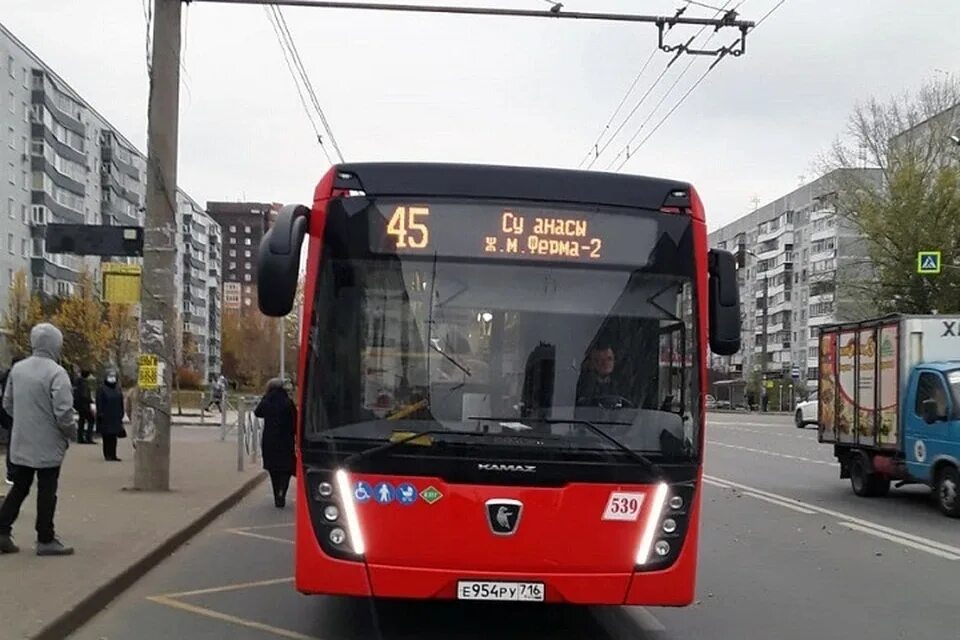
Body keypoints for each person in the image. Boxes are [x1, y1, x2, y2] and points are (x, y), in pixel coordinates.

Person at [0, 323, 76, 556]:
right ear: (56, 344)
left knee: (20, 487)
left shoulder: (18, 369)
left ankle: (2, 531)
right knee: (47, 489)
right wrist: (69, 432)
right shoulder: (56, 372)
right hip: (49, 442)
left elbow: (7, 404)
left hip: (21, 440)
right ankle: (45, 538)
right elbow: (64, 412)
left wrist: (26, 422)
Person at [254, 378, 297, 509]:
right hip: (285, 440)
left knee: (273, 470)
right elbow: (295, 419)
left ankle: (276, 495)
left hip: (270, 440)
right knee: (286, 469)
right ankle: (282, 493)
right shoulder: (288, 402)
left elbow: (258, 412)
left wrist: (265, 397)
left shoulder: (267, 401)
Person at [95, 370, 125, 462]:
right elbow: (99, 402)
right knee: (107, 437)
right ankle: (107, 455)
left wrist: (121, 414)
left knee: (114, 437)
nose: (112, 378)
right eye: (110, 376)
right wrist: (100, 413)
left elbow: (121, 402)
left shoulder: (117, 389)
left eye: (113, 376)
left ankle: (113, 455)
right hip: (106, 416)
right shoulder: (102, 389)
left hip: (115, 416)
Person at [73, 369, 96, 444]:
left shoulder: (77, 382)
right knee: (91, 420)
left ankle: (80, 438)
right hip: (84, 405)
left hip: (79, 405)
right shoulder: (84, 383)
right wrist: (90, 401)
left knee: (81, 421)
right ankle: (88, 437)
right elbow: (85, 395)